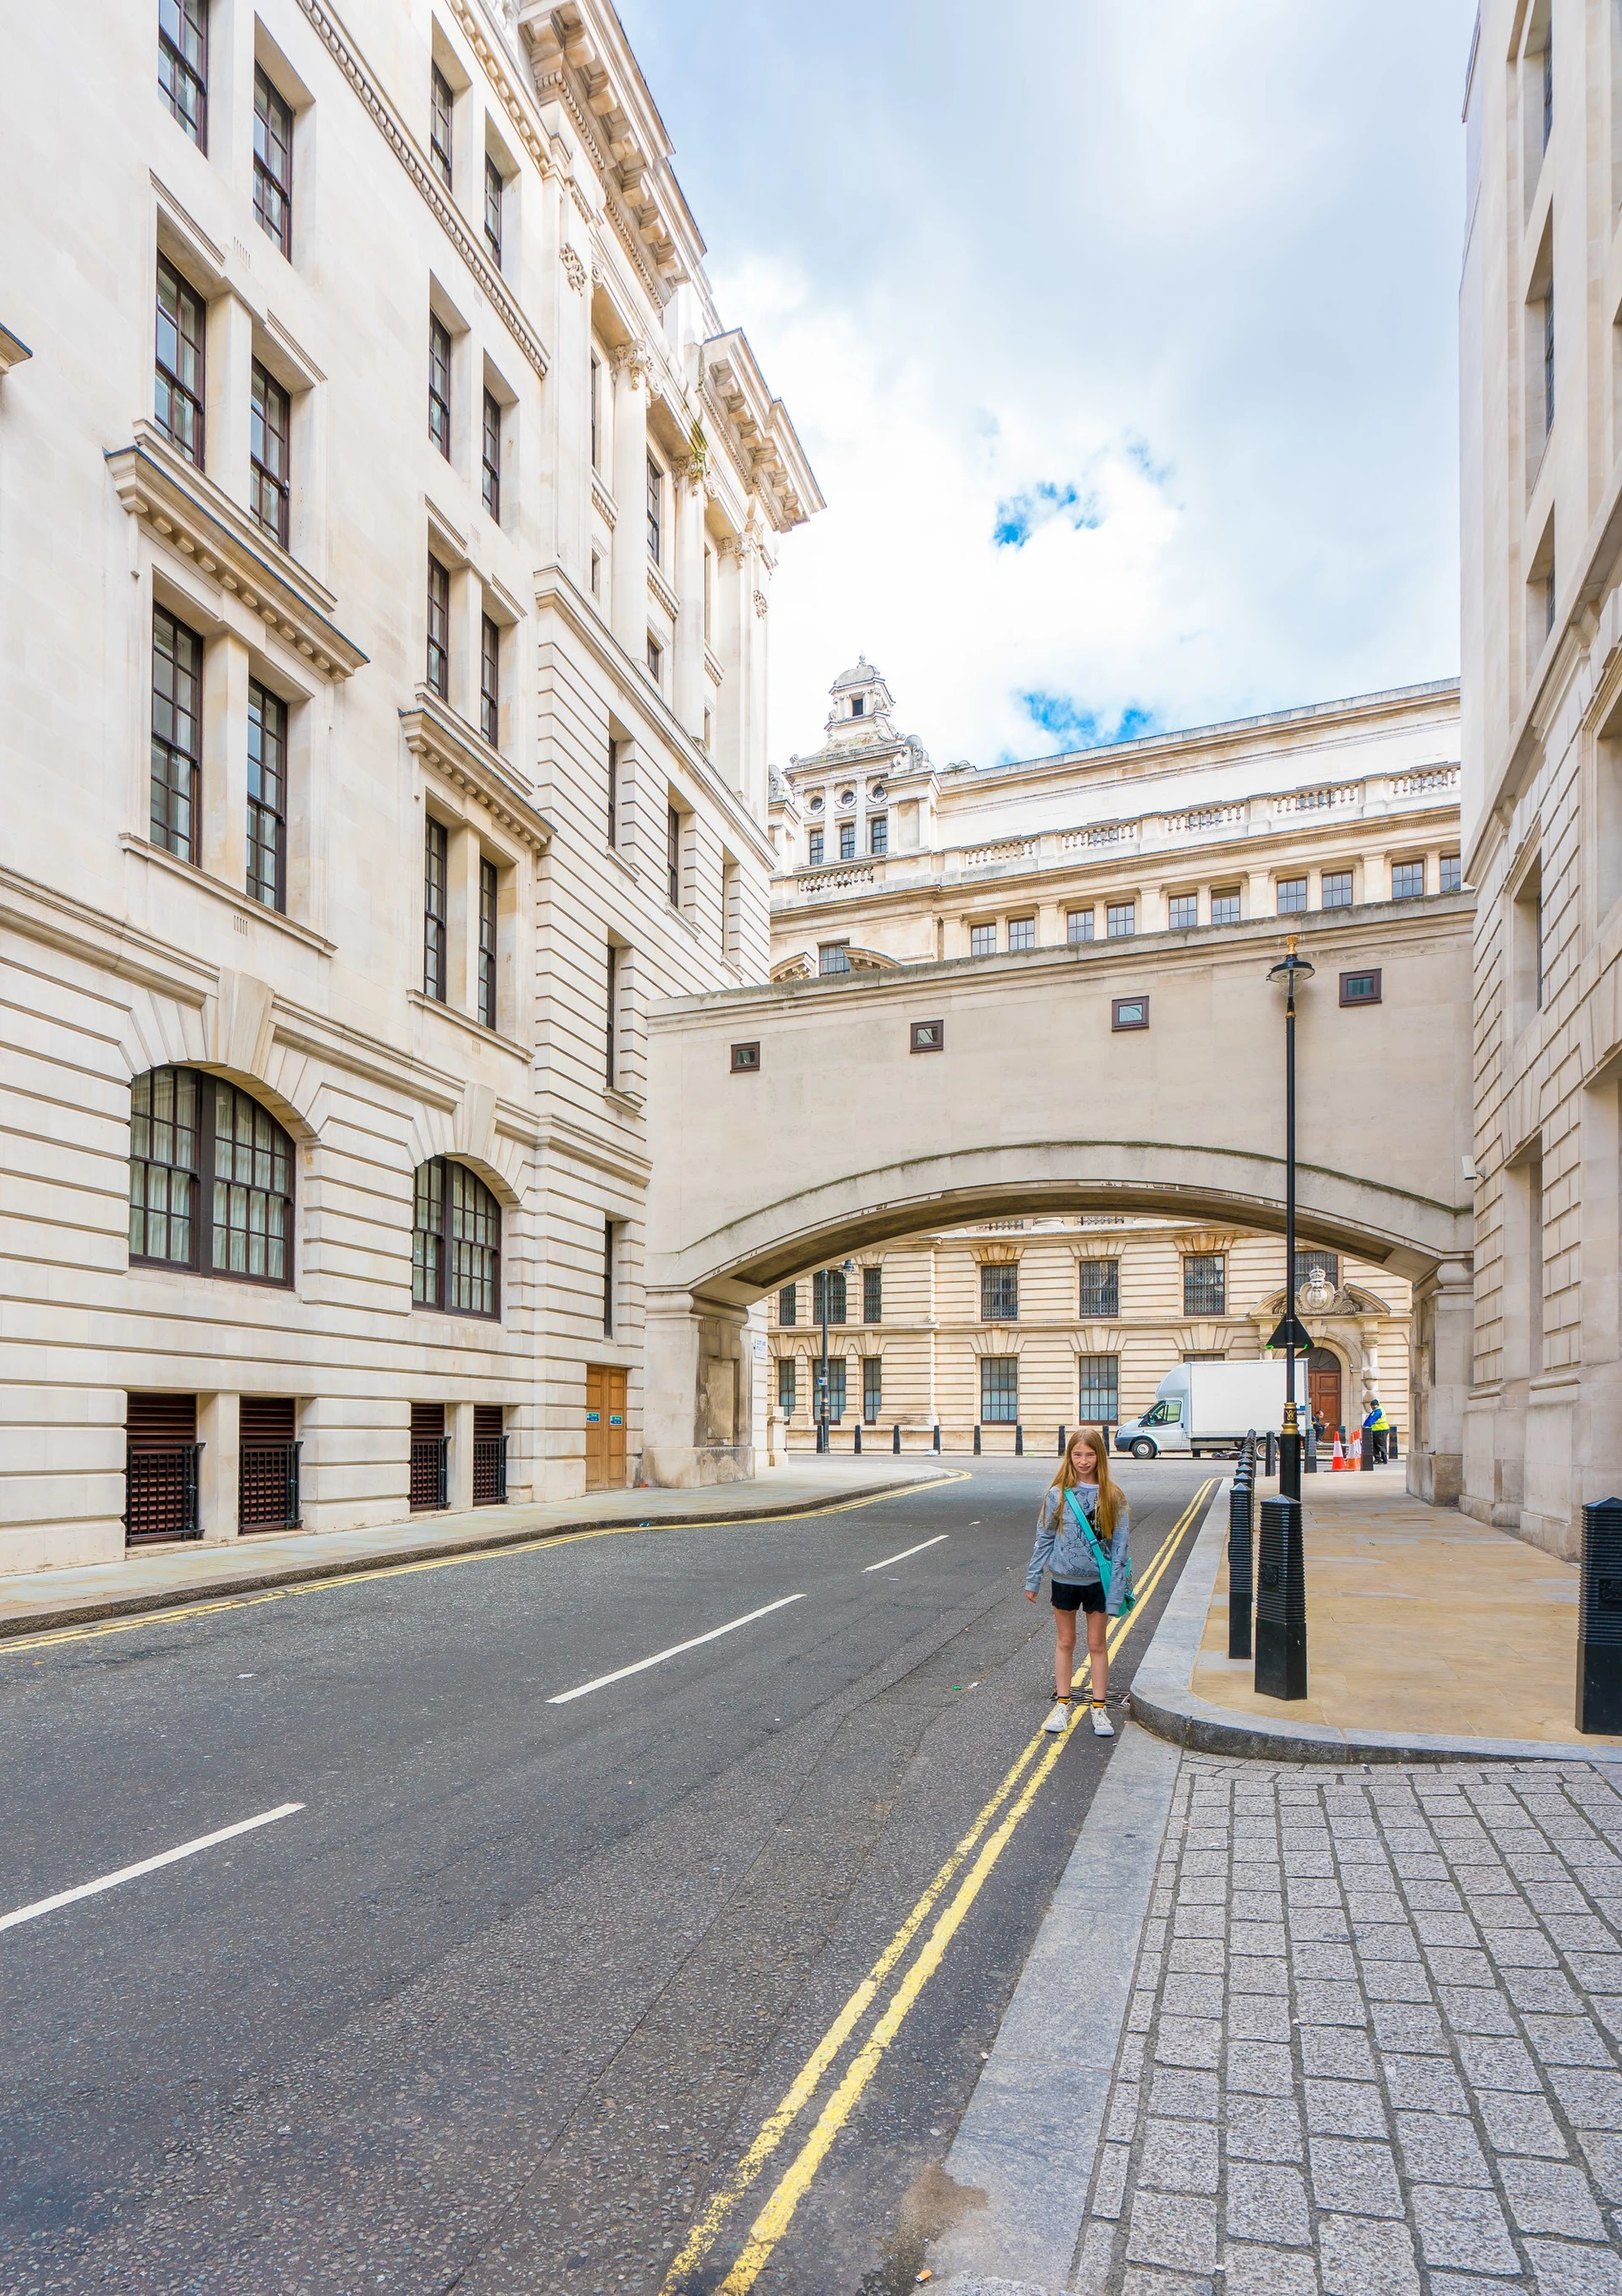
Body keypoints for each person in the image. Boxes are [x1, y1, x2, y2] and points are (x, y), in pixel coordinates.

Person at [1025, 1426, 1132, 1737]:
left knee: (1097, 1644)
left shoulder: (1113, 1496)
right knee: (1065, 1642)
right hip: (1064, 1580)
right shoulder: (1057, 1494)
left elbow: (1121, 1549)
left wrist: (1115, 1594)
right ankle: (1063, 1705)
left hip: (1098, 1582)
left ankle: (1099, 1710)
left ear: (1100, 1456)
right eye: (1077, 1455)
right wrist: (1033, 1579)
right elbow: (1043, 1539)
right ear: (1069, 1456)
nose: (1083, 1461)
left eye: (1090, 1454)